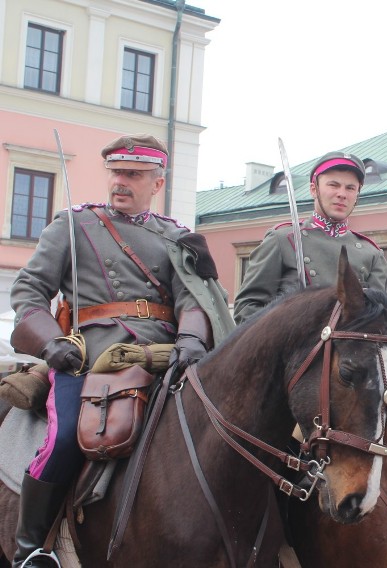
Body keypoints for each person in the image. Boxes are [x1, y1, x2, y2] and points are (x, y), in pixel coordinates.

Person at [9, 133, 226, 567]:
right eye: (117, 172)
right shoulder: (73, 224)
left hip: (164, 357)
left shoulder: (175, 236)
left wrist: (190, 340)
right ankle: (30, 549)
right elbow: (28, 290)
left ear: (157, 183)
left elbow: (192, 301)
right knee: (67, 434)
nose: (121, 182)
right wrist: (51, 342)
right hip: (88, 358)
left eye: (134, 174)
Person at [233, 151, 387, 324]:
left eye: (350, 188)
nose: (342, 194)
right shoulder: (283, 240)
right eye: (333, 185)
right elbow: (246, 308)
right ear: (314, 189)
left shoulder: (372, 254)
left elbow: (381, 319)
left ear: (357, 194)